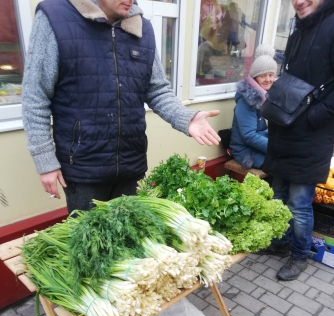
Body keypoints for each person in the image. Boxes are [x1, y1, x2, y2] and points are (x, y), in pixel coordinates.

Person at [22, 0, 221, 214]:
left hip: (130, 165)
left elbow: (157, 90)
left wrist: (187, 118)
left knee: (128, 239)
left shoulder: (142, 27)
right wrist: (45, 161)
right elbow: (35, 97)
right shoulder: (56, 18)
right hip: (84, 168)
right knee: (91, 243)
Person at [259, 0, 334, 280]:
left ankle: (300, 255)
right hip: (286, 130)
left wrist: (314, 117)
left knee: (299, 204)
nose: (299, 2)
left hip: (312, 135)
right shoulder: (298, 30)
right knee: (278, 196)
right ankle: (279, 243)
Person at [229, 44, 277, 170]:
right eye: (263, 76)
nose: (268, 79)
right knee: (283, 166)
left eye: (271, 75)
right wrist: (276, 148)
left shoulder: (269, 95)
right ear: (255, 78)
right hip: (246, 151)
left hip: (263, 146)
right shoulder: (247, 100)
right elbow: (249, 136)